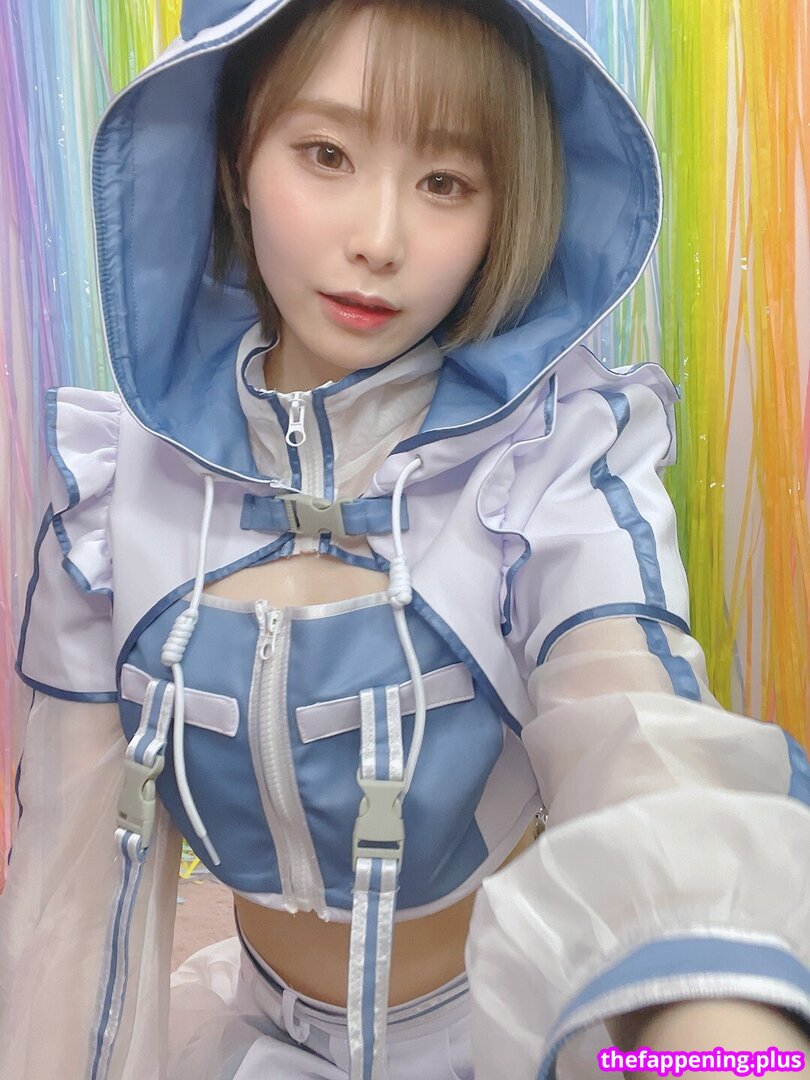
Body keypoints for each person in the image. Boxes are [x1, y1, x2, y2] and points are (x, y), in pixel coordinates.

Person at [1, 0, 809, 1077]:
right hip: (252, 1035)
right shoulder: (116, 491)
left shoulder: (552, 466)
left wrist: (720, 1023)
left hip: (502, 1032)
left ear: (507, 202)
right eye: (326, 154)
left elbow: (640, 737)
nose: (379, 240)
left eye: (446, 182)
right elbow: (73, 884)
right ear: (235, 158)